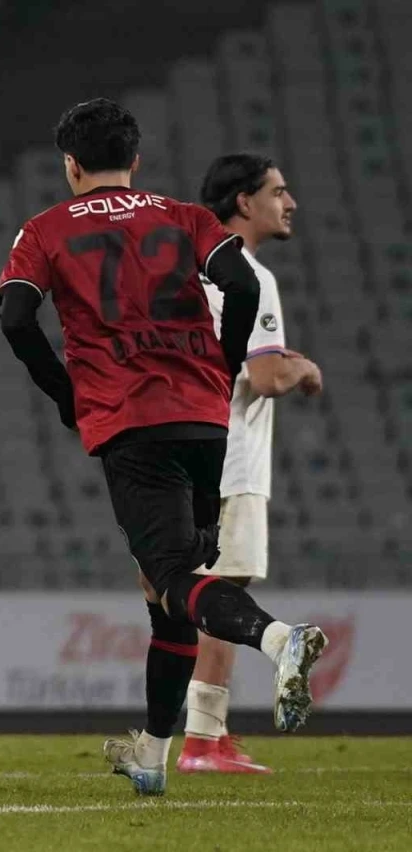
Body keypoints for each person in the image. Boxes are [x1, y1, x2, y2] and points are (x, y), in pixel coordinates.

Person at [0, 99, 327, 797]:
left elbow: (18, 317)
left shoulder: (45, 228)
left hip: (131, 418)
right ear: (135, 159)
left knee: (173, 577)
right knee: (165, 590)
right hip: (206, 421)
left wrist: (64, 393)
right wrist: (221, 364)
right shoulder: (186, 217)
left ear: (71, 164)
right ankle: (150, 752)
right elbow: (240, 282)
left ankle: (277, 639)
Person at [176, 154, 323, 774]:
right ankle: (202, 742)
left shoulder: (186, 269)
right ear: (243, 201)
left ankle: (201, 735)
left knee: (195, 591)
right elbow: (263, 378)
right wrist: (301, 368)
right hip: (230, 458)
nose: (290, 204)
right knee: (222, 591)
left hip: (177, 453)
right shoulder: (251, 276)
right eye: (278, 192)